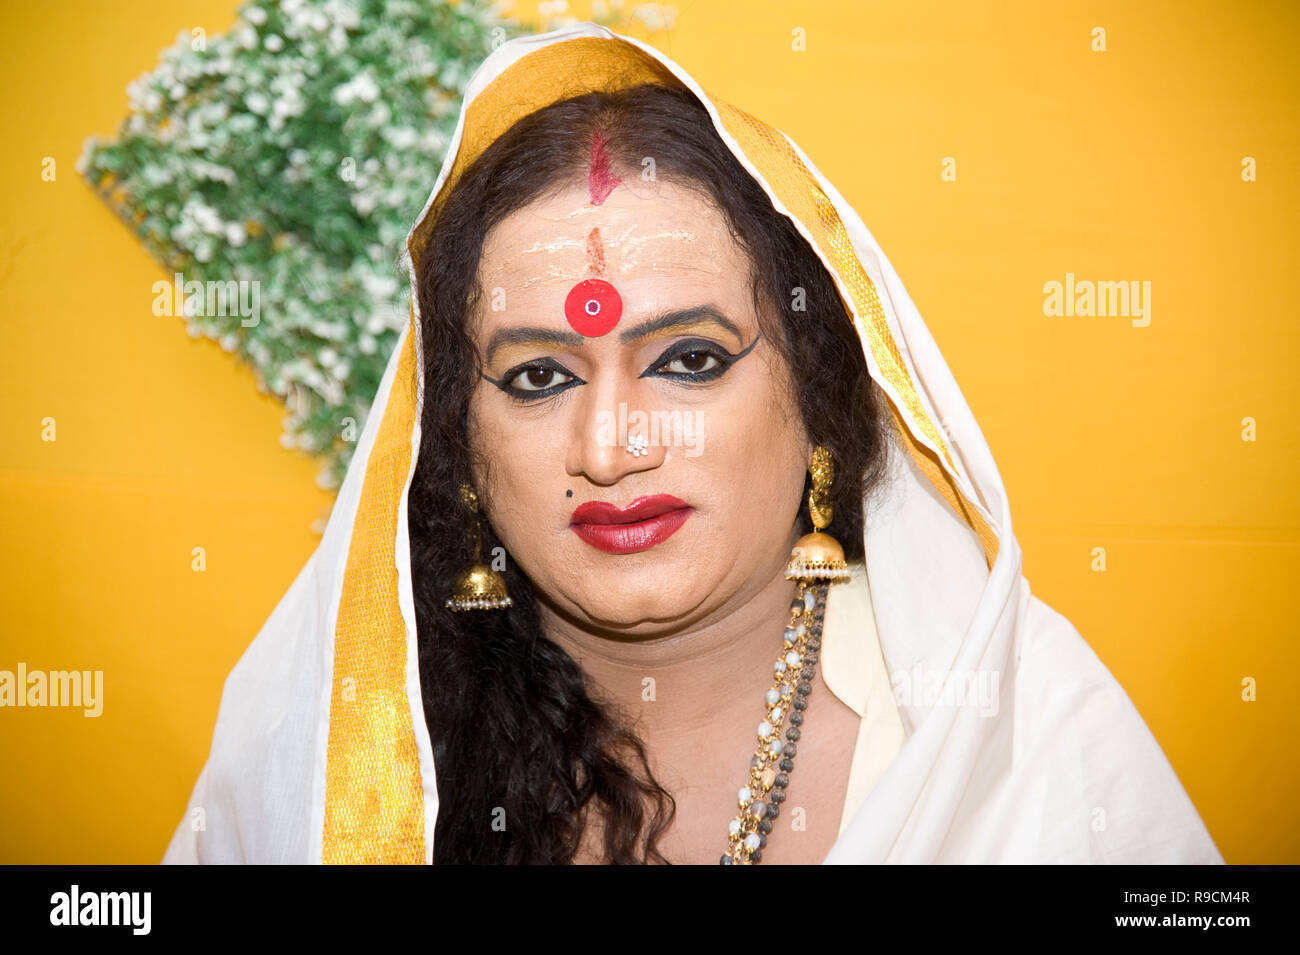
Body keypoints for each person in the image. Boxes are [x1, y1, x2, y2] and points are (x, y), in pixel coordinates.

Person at [163, 22, 1222, 865]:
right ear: (456, 448)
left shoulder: (1022, 733)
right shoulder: (332, 749)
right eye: (538, 377)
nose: (612, 446)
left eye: (690, 360)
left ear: (815, 394)